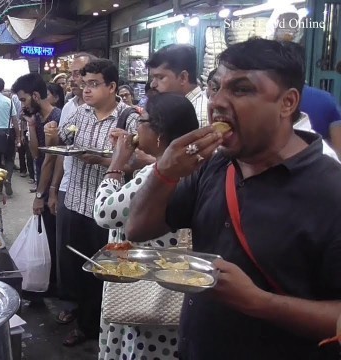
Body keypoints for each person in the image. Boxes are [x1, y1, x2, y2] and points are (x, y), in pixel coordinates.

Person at [126, 38, 341, 360]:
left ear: (287, 103)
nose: (218, 102)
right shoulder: (215, 164)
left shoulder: (331, 191)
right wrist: (164, 172)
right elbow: (137, 230)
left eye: (241, 89)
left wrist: (260, 302)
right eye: (215, 88)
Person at [95, 93, 200, 360]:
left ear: (160, 133)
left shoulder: (155, 177)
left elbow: (105, 213)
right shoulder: (192, 166)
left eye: (141, 120)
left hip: (147, 295)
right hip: (173, 287)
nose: (135, 128)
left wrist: (116, 165)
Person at [45, 59, 130, 346]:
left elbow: (135, 162)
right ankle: (80, 312)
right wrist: (54, 136)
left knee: (101, 271)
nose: (87, 91)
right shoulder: (80, 114)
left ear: (112, 87)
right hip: (77, 201)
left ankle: (93, 326)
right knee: (74, 265)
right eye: (85, 84)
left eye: (94, 84)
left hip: (106, 211)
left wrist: (103, 159)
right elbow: (65, 145)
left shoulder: (127, 118)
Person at [12, 73, 61, 292]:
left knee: (54, 238)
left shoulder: (57, 118)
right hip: (42, 176)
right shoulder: (39, 118)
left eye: (23, 100)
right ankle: (48, 283)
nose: (22, 104)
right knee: (48, 235)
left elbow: (52, 160)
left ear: (35, 95)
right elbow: (36, 155)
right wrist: (31, 125)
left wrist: (42, 195)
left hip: (54, 186)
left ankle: (55, 286)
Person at [147, 44, 209, 127]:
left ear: (183, 78)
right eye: (152, 78)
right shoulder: (174, 108)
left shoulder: (200, 115)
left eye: (160, 77)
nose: (152, 85)